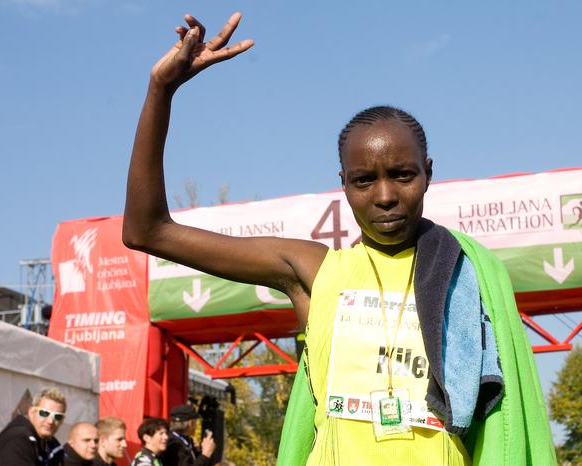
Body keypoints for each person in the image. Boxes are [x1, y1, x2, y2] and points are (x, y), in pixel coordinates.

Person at [122, 12, 557, 466]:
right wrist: (161, 91)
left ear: (428, 173)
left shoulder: (468, 274)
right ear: (344, 184)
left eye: (403, 175)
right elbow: (146, 230)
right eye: (364, 180)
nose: (386, 196)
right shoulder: (314, 272)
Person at [0, 387, 66, 466]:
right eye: (44, 413)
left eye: (57, 417)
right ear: (31, 412)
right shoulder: (18, 438)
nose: (50, 421)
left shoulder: (52, 445)